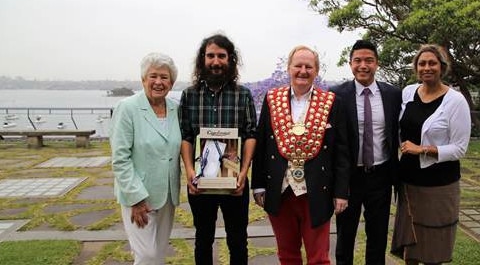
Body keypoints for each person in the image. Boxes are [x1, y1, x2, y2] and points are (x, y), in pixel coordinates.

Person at [251, 45, 352, 264]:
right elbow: (262, 145)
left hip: (317, 189)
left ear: (316, 70)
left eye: (309, 66)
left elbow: (341, 152)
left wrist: (341, 192)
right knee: (287, 255)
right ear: (289, 68)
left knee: (319, 257)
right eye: (298, 66)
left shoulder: (332, 102)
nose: (303, 71)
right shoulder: (271, 100)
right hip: (280, 189)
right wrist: (258, 184)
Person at [179, 34, 257, 264]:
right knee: (203, 239)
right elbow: (186, 137)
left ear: (230, 59)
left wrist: (243, 174)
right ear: (202, 59)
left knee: (237, 240)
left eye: (221, 56)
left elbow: (251, 134)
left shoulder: (242, 94)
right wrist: (190, 173)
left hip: (235, 181)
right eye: (210, 55)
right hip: (201, 182)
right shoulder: (190, 95)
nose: (216, 61)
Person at [391, 44, 471, 265]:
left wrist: (422, 149)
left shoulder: (455, 101)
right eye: (422, 63)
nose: (427, 67)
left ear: (442, 67)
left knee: (433, 250)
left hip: (439, 185)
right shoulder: (408, 92)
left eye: (432, 63)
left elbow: (460, 148)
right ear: (416, 68)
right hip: (409, 182)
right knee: (411, 246)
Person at [330, 40, 401, 265]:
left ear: (377, 64)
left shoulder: (392, 94)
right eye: (358, 60)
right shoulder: (336, 95)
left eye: (369, 60)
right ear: (350, 64)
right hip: (349, 177)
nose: (363, 65)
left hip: (381, 175)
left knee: (378, 236)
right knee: (345, 236)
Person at [111, 52, 181, 265]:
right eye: (153, 76)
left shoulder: (175, 109)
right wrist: (135, 198)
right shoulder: (128, 108)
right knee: (146, 256)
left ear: (172, 82)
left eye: (164, 77)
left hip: (167, 195)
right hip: (139, 197)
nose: (159, 82)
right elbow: (120, 158)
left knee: (158, 254)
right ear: (143, 79)